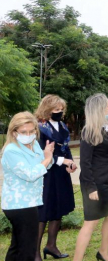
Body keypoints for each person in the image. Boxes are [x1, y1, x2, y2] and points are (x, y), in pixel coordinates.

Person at [73, 93, 108, 261]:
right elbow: (85, 162)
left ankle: (103, 252)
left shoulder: (104, 128)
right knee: (91, 222)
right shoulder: (88, 132)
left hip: (106, 180)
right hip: (94, 183)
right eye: (107, 105)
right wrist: (91, 188)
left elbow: (107, 151)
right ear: (99, 108)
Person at [1, 112, 54, 261]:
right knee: (27, 250)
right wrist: (47, 158)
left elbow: (43, 167)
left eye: (32, 131)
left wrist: (47, 157)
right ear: (14, 132)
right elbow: (31, 174)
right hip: (19, 205)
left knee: (17, 247)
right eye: (24, 132)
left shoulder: (34, 144)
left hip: (30, 201)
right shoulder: (12, 150)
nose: (29, 134)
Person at [34, 94, 76, 260]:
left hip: (61, 174)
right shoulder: (39, 127)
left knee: (58, 209)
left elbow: (66, 149)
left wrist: (71, 163)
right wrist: (62, 161)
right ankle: (35, 251)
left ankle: (51, 246)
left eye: (61, 109)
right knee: (43, 212)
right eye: (56, 109)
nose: (59, 112)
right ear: (47, 109)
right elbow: (39, 153)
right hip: (46, 172)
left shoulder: (63, 127)